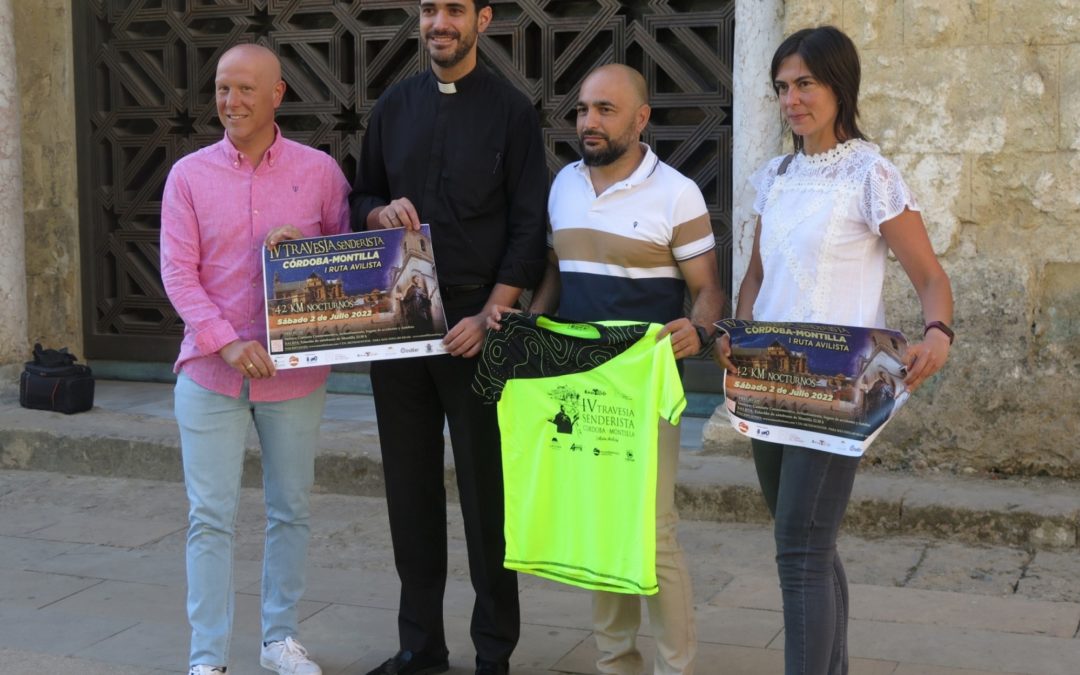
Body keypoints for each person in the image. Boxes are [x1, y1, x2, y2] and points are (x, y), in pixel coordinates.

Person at [714, 26, 954, 675]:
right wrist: (736, 334)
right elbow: (758, 274)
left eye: (805, 85)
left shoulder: (870, 174)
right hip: (768, 377)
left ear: (838, 87)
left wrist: (938, 333)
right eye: (783, 88)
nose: (792, 99)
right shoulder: (777, 175)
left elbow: (930, 275)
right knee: (808, 545)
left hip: (837, 387)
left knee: (800, 547)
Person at [494, 63, 725, 675]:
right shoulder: (564, 184)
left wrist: (698, 330)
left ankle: (677, 667)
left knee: (651, 531)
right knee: (602, 525)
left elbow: (708, 290)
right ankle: (615, 664)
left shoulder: (677, 193)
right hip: (574, 383)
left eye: (605, 110)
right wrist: (530, 327)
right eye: (582, 110)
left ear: (641, 119)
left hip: (642, 388)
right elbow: (554, 273)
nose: (588, 122)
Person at [348, 1, 548, 673]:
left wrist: (491, 314)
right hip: (399, 323)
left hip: (477, 329)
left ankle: (495, 652)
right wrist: (377, 209)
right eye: (430, 8)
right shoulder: (392, 107)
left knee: (489, 498)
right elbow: (360, 195)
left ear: (482, 19)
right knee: (409, 492)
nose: (440, 22)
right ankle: (419, 645)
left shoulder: (514, 114)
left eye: (454, 10)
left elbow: (528, 229)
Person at [160, 43, 350, 675]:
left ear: (277, 95)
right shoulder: (188, 175)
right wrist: (226, 340)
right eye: (221, 89)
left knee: (289, 509)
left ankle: (279, 641)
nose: (230, 102)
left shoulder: (319, 171)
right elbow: (178, 275)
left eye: (245, 89)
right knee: (209, 517)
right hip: (211, 373)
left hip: (295, 375)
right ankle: (207, 657)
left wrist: (309, 248)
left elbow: (348, 263)